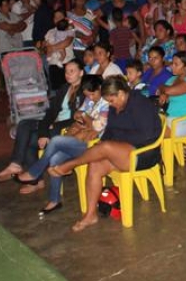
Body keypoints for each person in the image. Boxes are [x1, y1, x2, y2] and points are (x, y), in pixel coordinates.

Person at [48, 76, 162, 232]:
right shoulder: (116, 106)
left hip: (144, 152)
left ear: (121, 94)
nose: (110, 104)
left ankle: (69, 165)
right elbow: (110, 130)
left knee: (106, 147)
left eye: (111, 100)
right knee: (95, 163)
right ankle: (90, 215)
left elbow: (147, 135)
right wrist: (105, 143)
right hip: (121, 152)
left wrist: (112, 142)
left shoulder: (140, 104)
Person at [12, 75, 107, 215]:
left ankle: (34, 172)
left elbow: (97, 127)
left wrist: (85, 117)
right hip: (78, 139)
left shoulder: (106, 103)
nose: (90, 97)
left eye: (93, 94)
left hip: (92, 145)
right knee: (55, 159)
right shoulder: (89, 99)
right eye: (88, 95)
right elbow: (77, 115)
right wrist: (84, 117)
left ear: (100, 89)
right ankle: (54, 200)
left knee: (55, 140)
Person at [0, 59, 86, 182]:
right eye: (66, 71)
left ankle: (34, 180)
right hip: (54, 125)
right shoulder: (65, 88)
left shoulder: (84, 92)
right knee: (24, 124)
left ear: (81, 73)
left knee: (29, 140)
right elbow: (50, 112)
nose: (67, 74)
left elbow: (77, 119)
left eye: (72, 71)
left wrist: (52, 127)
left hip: (64, 129)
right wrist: (43, 132)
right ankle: (16, 164)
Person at [158, 51, 186, 138]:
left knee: (152, 132)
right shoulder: (172, 79)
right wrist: (163, 94)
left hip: (184, 122)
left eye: (176, 64)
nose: (172, 67)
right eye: (172, 63)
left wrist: (163, 88)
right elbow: (162, 91)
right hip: (168, 117)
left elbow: (167, 89)